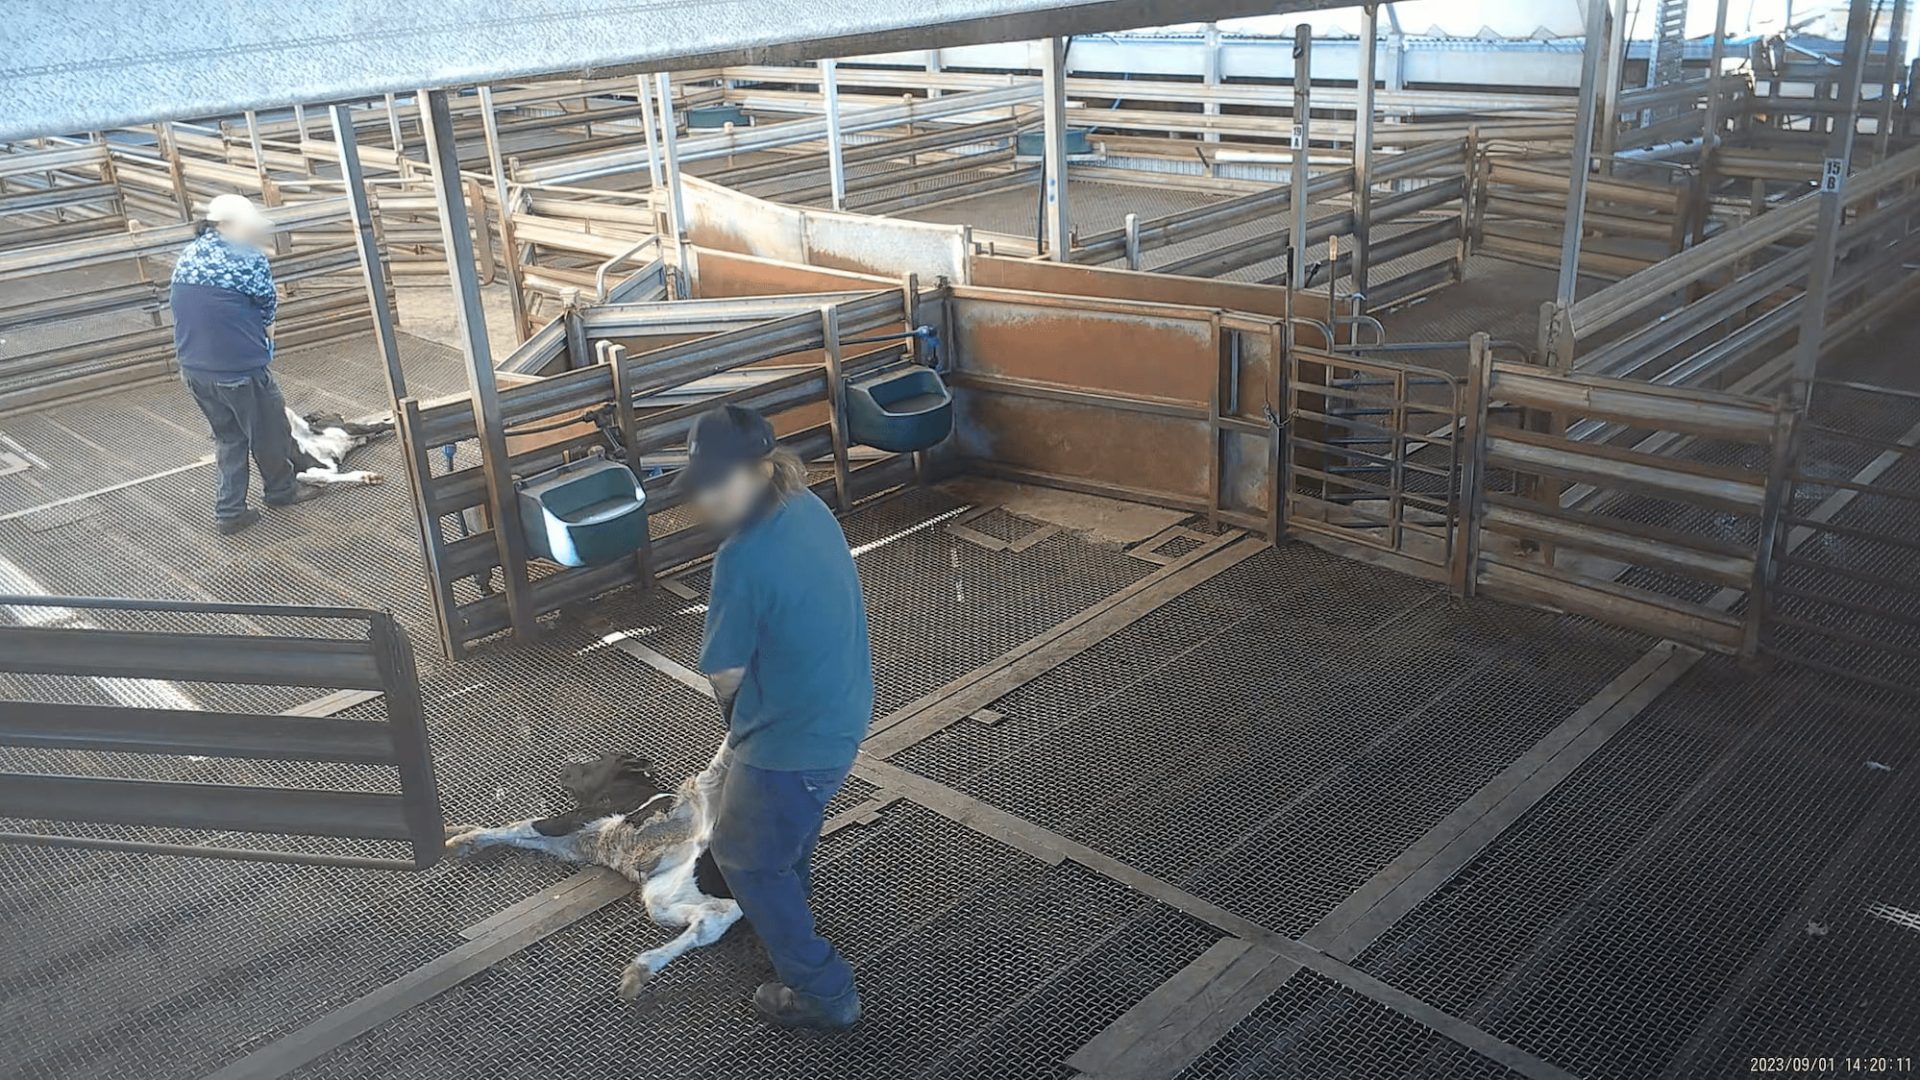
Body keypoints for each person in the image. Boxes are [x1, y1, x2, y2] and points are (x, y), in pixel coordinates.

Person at [682, 404, 873, 1030]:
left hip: (794, 737)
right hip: (841, 706)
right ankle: (785, 904)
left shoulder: (741, 558)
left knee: (746, 855)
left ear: (764, 467)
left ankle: (824, 991)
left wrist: (740, 734)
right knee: (782, 830)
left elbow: (725, 674)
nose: (712, 497)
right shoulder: (809, 509)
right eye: (706, 483)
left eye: (725, 481)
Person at [170, 192, 321, 535]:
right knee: (270, 430)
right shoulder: (248, 259)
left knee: (229, 438)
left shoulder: (188, 254)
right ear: (226, 225)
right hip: (237, 367)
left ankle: (230, 511)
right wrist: (264, 348)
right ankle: (281, 490)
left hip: (194, 368)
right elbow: (268, 312)